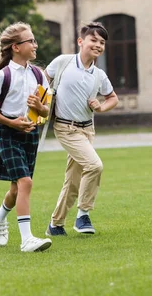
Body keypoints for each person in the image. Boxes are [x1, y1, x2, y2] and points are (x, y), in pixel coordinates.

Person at [0, 22, 52, 252]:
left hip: (31, 133)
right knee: (26, 183)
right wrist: (13, 123)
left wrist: (40, 107)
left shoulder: (39, 75)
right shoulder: (2, 76)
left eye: (34, 40)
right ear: (16, 47)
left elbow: (46, 112)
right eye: (30, 41)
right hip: (10, 133)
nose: (35, 45)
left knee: (16, 189)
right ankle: (27, 240)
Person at [44, 22, 119, 236]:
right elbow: (41, 80)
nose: (98, 45)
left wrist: (101, 106)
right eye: (93, 40)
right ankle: (83, 215)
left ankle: (55, 224)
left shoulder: (99, 75)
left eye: (102, 42)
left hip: (88, 130)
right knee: (95, 166)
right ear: (81, 41)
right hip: (66, 128)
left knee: (73, 181)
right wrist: (40, 100)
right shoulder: (63, 62)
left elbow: (113, 98)